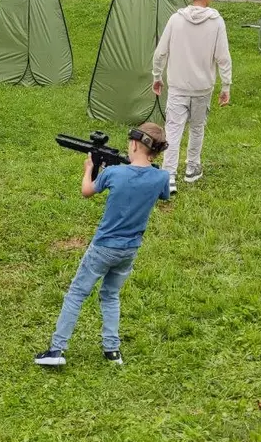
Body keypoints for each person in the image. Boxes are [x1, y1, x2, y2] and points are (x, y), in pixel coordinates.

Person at [34, 124, 171, 367]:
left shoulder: (114, 174)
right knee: (110, 295)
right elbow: (163, 194)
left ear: (134, 144)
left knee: (76, 293)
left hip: (103, 246)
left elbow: (87, 191)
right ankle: (112, 350)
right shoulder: (161, 177)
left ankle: (56, 349)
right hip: (130, 250)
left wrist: (89, 169)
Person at [152, 0, 232, 194]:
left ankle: (168, 175)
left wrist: (157, 76)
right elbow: (223, 57)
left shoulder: (176, 20)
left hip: (178, 86)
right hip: (202, 87)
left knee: (173, 129)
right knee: (197, 128)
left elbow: (161, 52)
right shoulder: (216, 22)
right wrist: (226, 86)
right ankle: (192, 167)